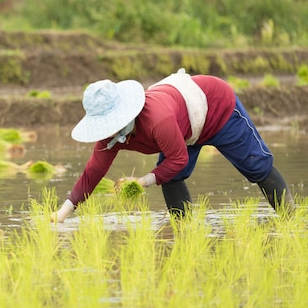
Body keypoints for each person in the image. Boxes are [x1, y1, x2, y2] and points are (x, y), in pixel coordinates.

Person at [52, 69, 295, 222]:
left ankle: (291, 220)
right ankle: (184, 232)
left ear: (124, 114)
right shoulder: (111, 137)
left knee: (257, 166)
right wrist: (63, 212)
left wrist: (143, 181)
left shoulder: (158, 120)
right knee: (170, 177)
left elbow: (178, 160)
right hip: (184, 125)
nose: (106, 130)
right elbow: (93, 171)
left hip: (217, 109)